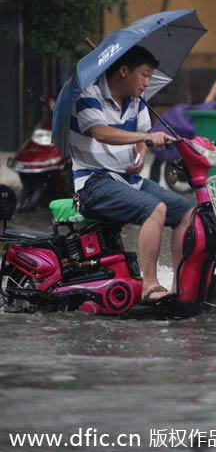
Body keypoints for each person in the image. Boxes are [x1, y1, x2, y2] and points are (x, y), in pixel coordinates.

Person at [70, 45, 195, 303]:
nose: (147, 83)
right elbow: (101, 132)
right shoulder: (88, 96)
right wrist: (145, 138)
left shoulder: (137, 101)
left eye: (150, 77)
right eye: (144, 75)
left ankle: (180, 287)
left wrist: (141, 153)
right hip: (93, 182)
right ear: (124, 71)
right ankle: (149, 285)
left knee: (188, 212)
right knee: (156, 209)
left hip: (129, 180)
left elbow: (142, 136)